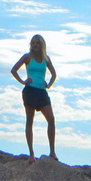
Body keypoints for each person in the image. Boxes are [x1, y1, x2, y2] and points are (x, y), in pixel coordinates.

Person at [10, 33, 57, 161]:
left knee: (51, 120)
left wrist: (49, 85)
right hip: (30, 91)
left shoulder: (45, 59)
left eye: (38, 43)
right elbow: (13, 70)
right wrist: (23, 81)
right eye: (33, 43)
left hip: (41, 92)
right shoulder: (27, 57)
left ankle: (52, 152)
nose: (35, 45)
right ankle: (31, 154)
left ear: (42, 45)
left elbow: (54, 74)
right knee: (30, 121)